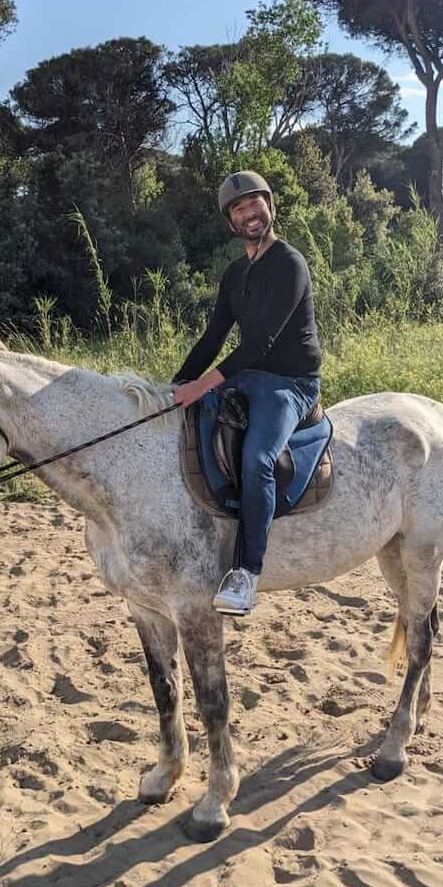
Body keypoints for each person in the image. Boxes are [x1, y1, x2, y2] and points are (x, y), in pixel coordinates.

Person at [173, 171, 322, 616]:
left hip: (289, 382)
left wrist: (205, 384)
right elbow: (213, 337)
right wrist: (177, 384)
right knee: (191, 426)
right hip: (246, 375)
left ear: (269, 206)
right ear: (231, 221)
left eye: (255, 203)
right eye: (239, 208)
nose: (249, 212)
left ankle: (246, 574)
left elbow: (263, 344)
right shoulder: (236, 272)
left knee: (258, 459)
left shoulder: (290, 263)